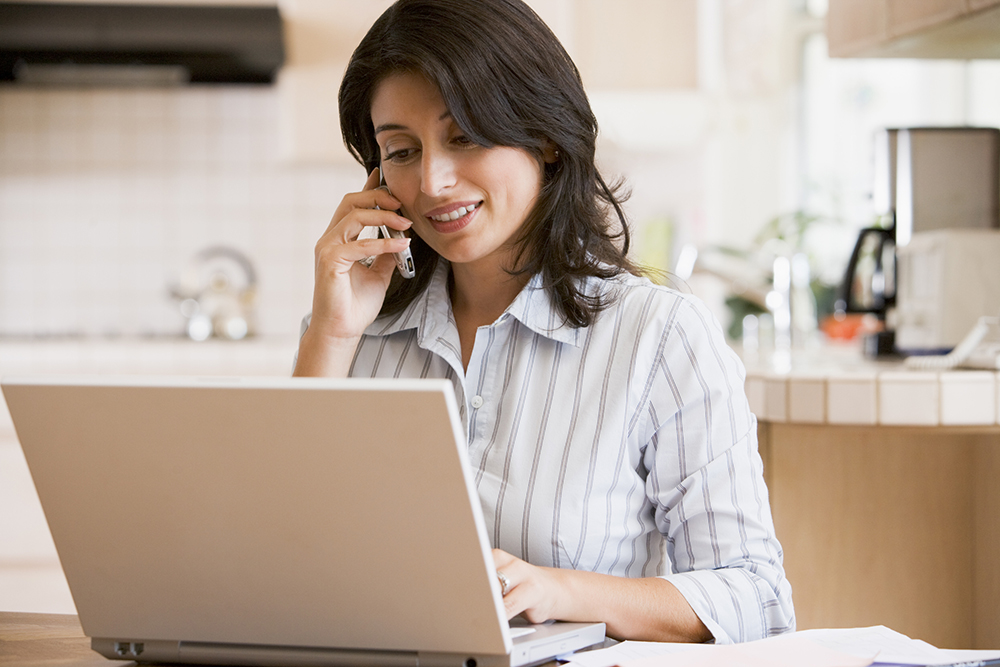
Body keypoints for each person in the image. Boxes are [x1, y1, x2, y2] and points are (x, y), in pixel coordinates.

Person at [293, 0, 794, 644]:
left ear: (547, 139)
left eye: (464, 136)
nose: (434, 181)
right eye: (402, 150)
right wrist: (331, 335)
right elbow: (283, 564)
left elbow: (757, 598)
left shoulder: (660, 336)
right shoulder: (347, 331)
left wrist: (561, 591)